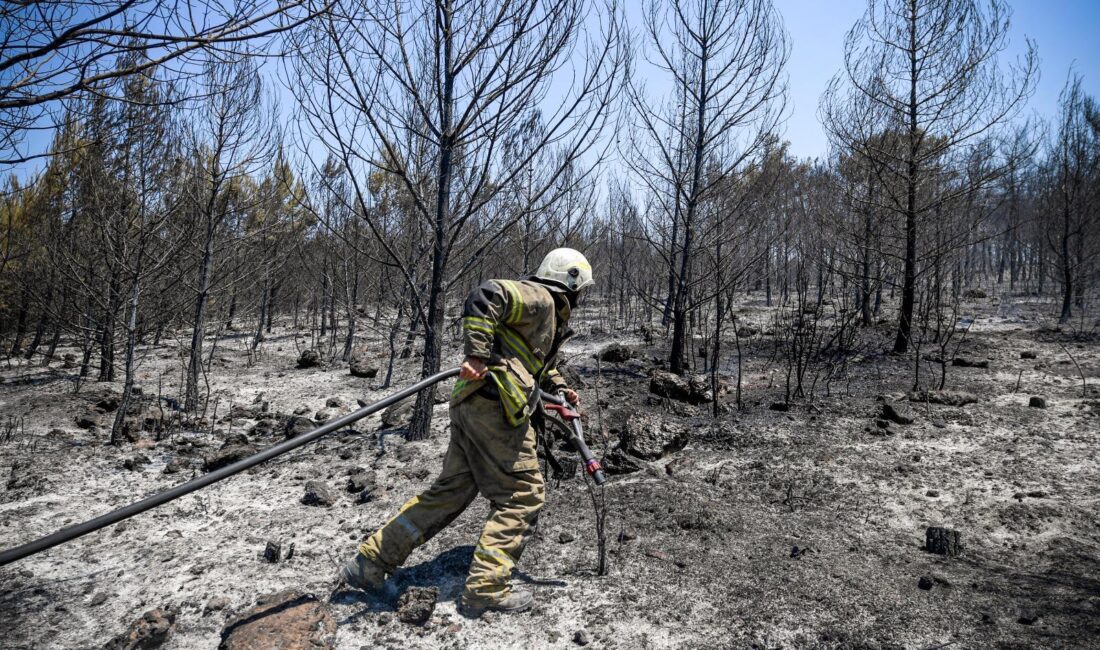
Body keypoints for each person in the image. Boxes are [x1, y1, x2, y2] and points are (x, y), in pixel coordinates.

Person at [340, 248, 593, 615]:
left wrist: (559, 387)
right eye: (580, 289)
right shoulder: (541, 298)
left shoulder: (546, 313)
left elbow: (529, 357)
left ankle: (370, 563)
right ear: (570, 283)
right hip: (495, 410)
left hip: (472, 404)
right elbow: (488, 294)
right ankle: (487, 589)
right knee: (522, 495)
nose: (581, 297)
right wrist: (475, 355)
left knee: (450, 492)